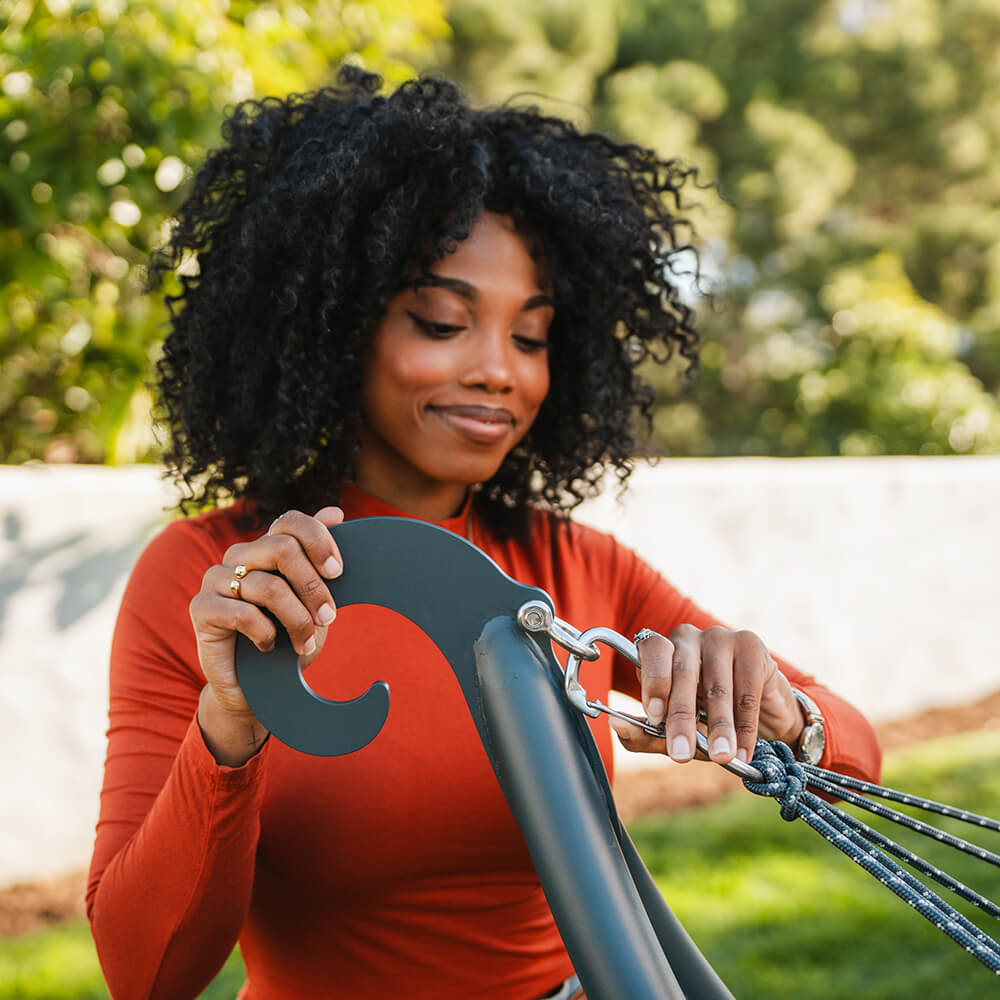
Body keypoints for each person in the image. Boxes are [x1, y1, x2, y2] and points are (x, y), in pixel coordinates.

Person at [87, 66, 881, 1000]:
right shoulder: (213, 580)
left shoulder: (575, 565)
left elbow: (857, 764)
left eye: (534, 336)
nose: (501, 372)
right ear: (337, 326)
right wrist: (227, 726)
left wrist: (788, 714)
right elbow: (146, 974)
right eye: (442, 321)